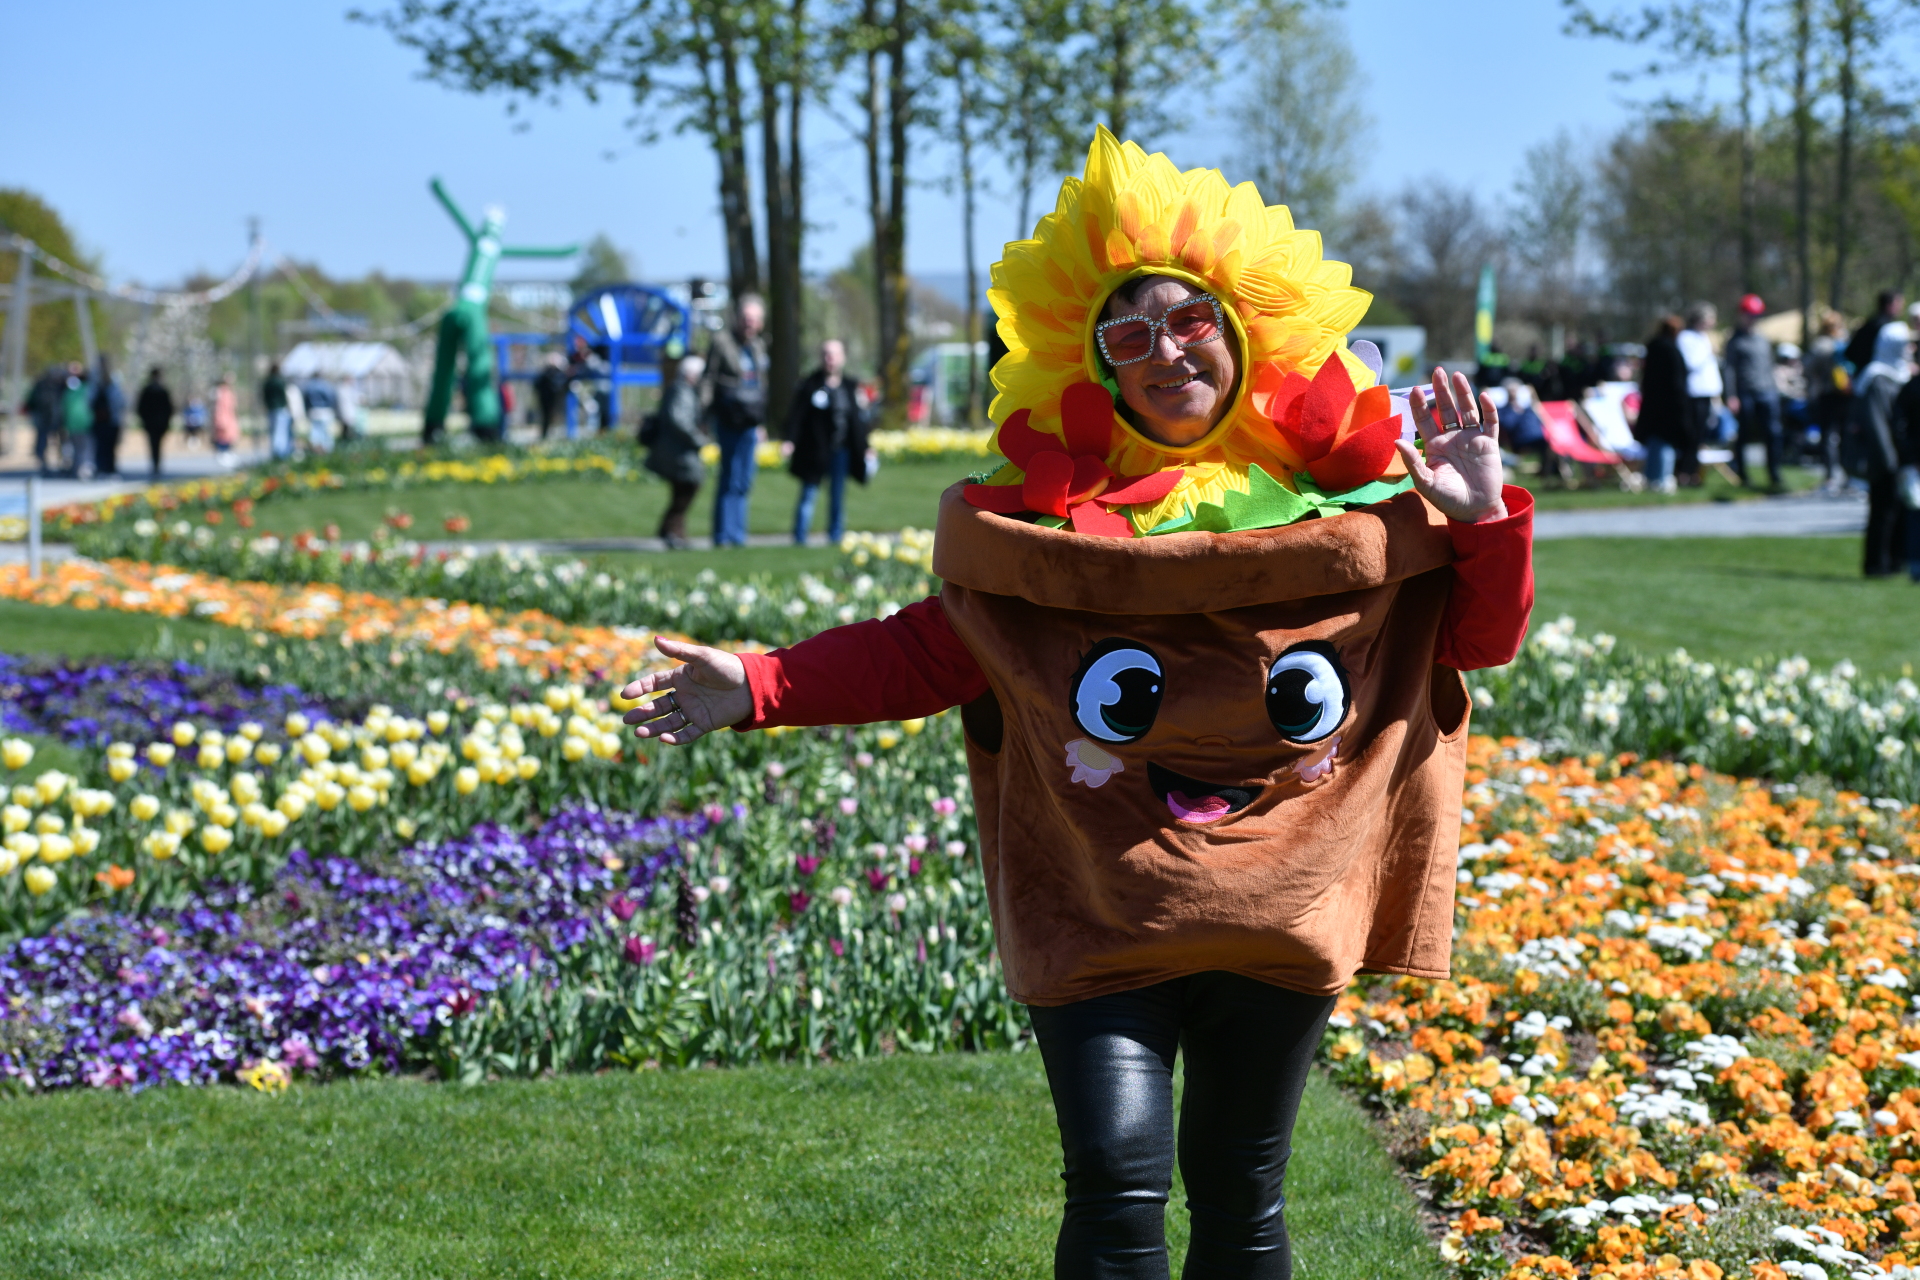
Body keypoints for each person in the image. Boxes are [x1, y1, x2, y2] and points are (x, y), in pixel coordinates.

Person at [613, 128, 1534, 1280]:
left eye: (1192, 321)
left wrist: (1482, 515)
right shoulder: (1051, 536)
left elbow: (1473, 641)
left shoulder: (1341, 520)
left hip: (1282, 900)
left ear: (1246, 336)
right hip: (1104, 904)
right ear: (1095, 362)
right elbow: (930, 652)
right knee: (1114, 1182)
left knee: (1244, 1194)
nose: (1165, 351)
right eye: (1131, 332)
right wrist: (755, 683)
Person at [783, 339, 871, 545]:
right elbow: (797, 416)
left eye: (834, 355)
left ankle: (835, 535)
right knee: (808, 494)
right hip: (814, 450)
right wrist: (789, 440)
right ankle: (800, 536)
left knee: (837, 495)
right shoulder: (810, 384)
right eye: (826, 354)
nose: (830, 359)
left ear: (842, 358)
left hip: (841, 450)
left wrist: (866, 447)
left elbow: (857, 422)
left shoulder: (849, 386)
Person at [702, 294, 769, 546]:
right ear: (737, 319)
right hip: (729, 417)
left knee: (744, 479)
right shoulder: (721, 342)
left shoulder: (758, 347)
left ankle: (738, 535)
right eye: (745, 318)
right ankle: (723, 535)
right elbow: (708, 379)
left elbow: (762, 386)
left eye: (754, 319)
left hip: (750, 420)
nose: (749, 324)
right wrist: (705, 414)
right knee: (729, 476)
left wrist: (761, 423)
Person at [1854, 322, 1913, 577]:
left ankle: (1895, 560)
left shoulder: (1900, 373)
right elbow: (1878, 424)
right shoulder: (1876, 377)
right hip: (1884, 459)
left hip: (1899, 456)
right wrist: (1890, 459)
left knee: (1898, 511)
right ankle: (1876, 564)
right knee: (1882, 512)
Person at [640, 353, 709, 549]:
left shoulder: (681, 390)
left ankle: (673, 531)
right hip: (677, 451)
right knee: (688, 487)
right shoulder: (681, 391)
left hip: (676, 450)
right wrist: (698, 439)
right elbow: (679, 420)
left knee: (682, 491)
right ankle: (671, 531)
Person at [1723, 293, 1783, 491]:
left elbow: (1769, 366)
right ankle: (1742, 473)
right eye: (1749, 315)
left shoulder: (1763, 340)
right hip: (1745, 393)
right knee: (1744, 434)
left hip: (1767, 391)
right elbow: (1729, 369)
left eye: (1756, 315)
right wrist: (1731, 395)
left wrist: (1775, 388)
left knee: (1773, 433)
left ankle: (1774, 474)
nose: (1753, 319)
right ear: (1741, 315)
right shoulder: (1734, 341)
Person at [1636, 314, 1690, 494]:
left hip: (1652, 403)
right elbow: (1677, 381)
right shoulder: (1671, 351)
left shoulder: (1652, 348)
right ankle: (1661, 478)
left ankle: (1651, 478)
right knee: (1666, 442)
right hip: (1669, 404)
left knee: (1654, 441)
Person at [1676, 302, 1722, 487]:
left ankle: (1693, 472)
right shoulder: (1686, 338)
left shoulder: (1703, 338)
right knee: (1691, 437)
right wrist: (1708, 352)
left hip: (1706, 392)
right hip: (1694, 393)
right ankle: (1684, 473)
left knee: (1700, 436)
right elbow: (1691, 363)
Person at [1805, 310, 1851, 489]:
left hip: (1827, 393)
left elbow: (1808, 368)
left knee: (1828, 435)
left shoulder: (1821, 345)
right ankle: (1848, 474)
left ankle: (1831, 476)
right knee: (1845, 434)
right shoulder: (1845, 341)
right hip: (1846, 393)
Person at [1845, 289, 1905, 375]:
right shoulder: (1886, 328)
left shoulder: (1871, 322)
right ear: (1889, 305)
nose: (1901, 307)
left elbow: (1850, 351)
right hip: (1873, 377)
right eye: (1899, 303)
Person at [20, 364, 65, 476]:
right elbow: (31, 401)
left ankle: (61, 463)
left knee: (60, 442)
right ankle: (43, 464)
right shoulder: (40, 385)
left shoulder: (60, 386)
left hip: (57, 418)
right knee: (42, 441)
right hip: (43, 418)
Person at [134, 366, 174, 479]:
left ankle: (156, 464)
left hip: (154, 423)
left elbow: (169, 409)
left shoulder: (159, 390)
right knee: (155, 444)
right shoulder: (155, 390)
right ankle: (156, 464)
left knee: (155, 444)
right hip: (155, 423)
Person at [89, 355, 126, 477]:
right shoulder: (95, 380)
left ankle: (106, 468)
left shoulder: (112, 379)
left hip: (108, 420)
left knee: (107, 446)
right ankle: (104, 468)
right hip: (103, 420)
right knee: (103, 446)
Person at [60, 361, 93, 477]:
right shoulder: (66, 389)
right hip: (73, 424)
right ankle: (78, 468)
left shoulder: (87, 388)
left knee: (84, 448)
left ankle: (83, 468)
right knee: (75, 448)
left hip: (85, 423)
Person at [261, 363, 293, 459]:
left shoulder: (267, 382)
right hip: (280, 408)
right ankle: (280, 454)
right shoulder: (280, 381)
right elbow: (284, 395)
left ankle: (276, 452)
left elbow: (264, 396)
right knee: (281, 432)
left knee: (273, 431)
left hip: (271, 409)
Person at [533, 353, 568, 439]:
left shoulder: (558, 374)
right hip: (548, 399)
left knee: (552, 418)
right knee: (548, 418)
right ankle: (546, 435)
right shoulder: (546, 374)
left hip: (554, 399)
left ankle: (551, 435)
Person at [301, 372, 337, 452]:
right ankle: (326, 450)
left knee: (315, 433)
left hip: (313, 411)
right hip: (325, 410)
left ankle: (316, 450)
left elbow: (305, 400)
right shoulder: (325, 385)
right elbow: (331, 398)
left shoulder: (308, 386)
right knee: (326, 432)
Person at [210, 373, 240, 469]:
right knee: (223, 437)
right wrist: (220, 420)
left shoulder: (228, 392)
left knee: (229, 437)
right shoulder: (220, 393)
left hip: (229, 418)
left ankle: (227, 453)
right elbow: (219, 408)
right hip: (224, 418)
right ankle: (222, 453)